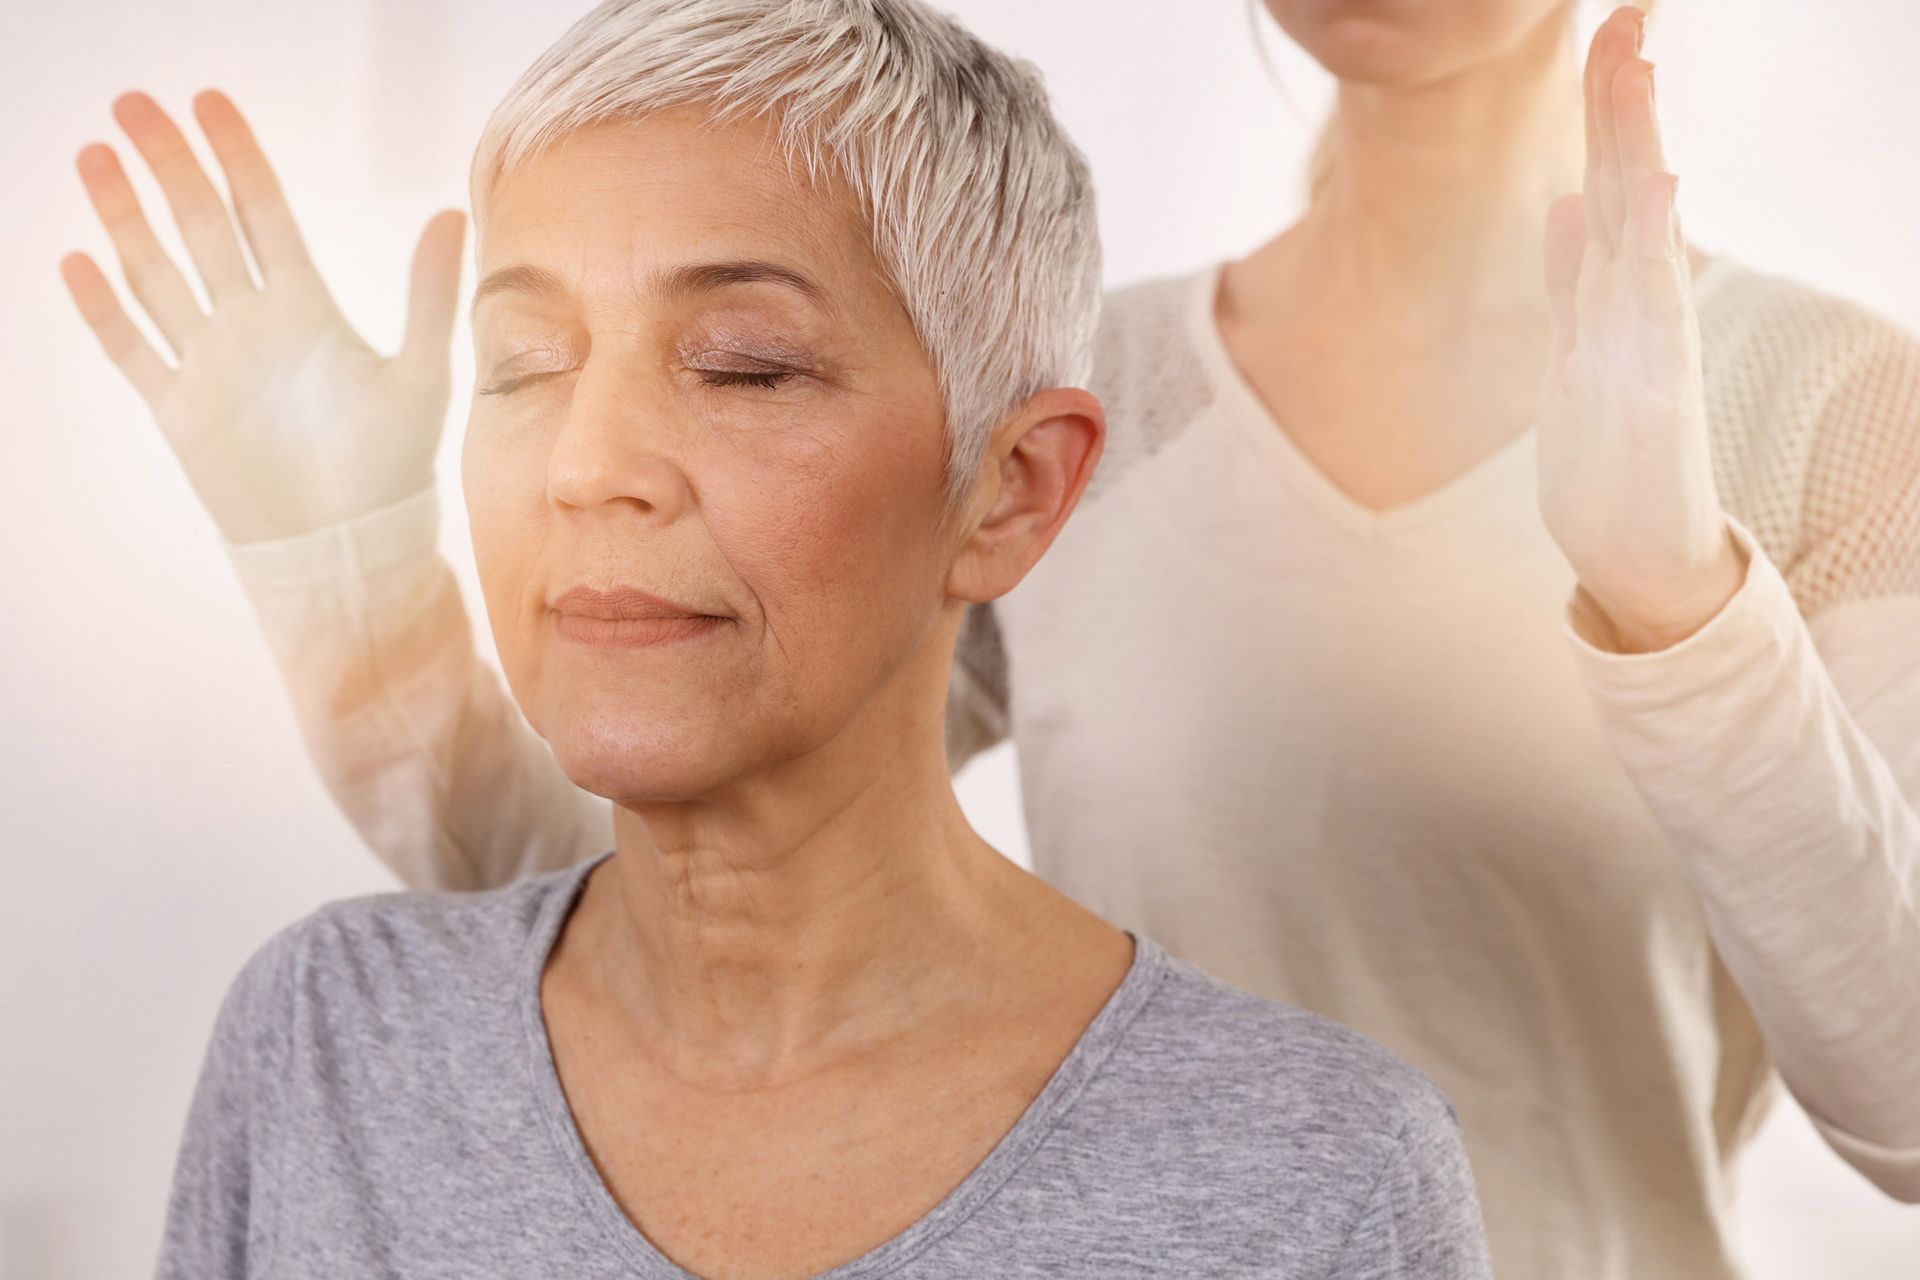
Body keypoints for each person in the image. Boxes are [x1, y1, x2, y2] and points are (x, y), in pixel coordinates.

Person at [59, 1, 1920, 1277]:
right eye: (530, 363)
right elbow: (705, 881)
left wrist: (1677, 606)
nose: (605, 454)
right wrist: (350, 564)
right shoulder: (1093, 385)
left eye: (744, 365)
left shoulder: (1823, 410)